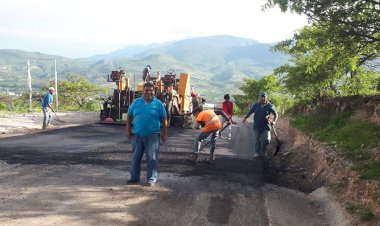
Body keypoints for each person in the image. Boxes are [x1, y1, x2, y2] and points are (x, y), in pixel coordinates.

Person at [126, 81, 168, 186]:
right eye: (146, 90)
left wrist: (164, 133)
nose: (148, 92)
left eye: (150, 90)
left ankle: (151, 178)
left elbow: (164, 119)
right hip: (137, 134)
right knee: (136, 158)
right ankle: (134, 177)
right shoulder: (136, 102)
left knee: (152, 158)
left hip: (153, 135)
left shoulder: (158, 104)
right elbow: (129, 116)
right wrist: (128, 130)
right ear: (142, 91)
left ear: (154, 91)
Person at [242, 92, 278, 158]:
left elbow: (276, 114)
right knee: (256, 140)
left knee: (267, 140)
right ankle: (257, 152)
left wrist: (274, 121)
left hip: (266, 126)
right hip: (257, 126)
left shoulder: (270, 106)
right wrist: (245, 118)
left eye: (264, 97)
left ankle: (263, 151)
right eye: (262, 97)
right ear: (260, 97)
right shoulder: (256, 105)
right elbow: (250, 112)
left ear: (266, 98)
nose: (263, 98)